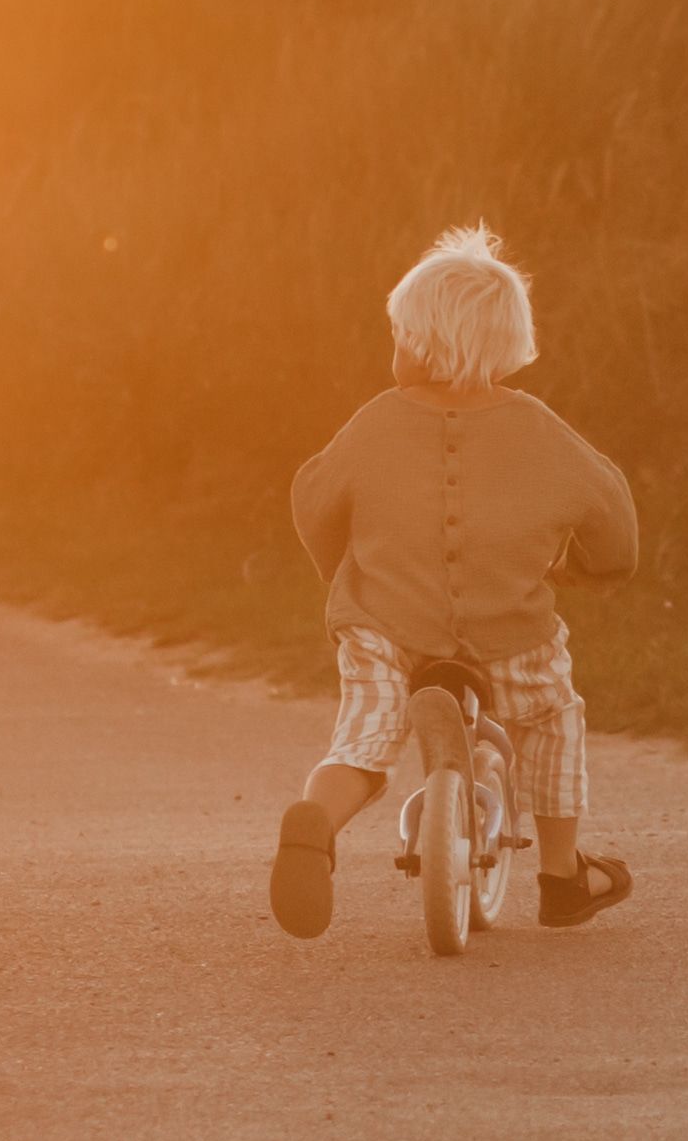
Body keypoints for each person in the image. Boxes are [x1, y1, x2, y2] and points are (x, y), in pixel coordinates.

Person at [275, 224, 642, 937]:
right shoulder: (539, 429)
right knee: (550, 720)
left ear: (416, 343)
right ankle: (562, 875)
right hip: (510, 633)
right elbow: (611, 509)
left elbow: (313, 496)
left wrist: (341, 570)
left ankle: (315, 823)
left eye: (396, 337)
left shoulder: (375, 422)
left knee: (364, 736)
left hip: (383, 624)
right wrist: (590, 569)